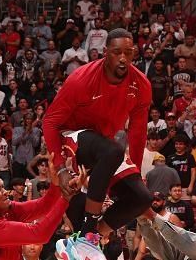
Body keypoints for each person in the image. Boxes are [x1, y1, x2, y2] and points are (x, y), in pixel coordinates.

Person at [43, 29, 153, 242]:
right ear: (105, 52)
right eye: (116, 52)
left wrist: (136, 173)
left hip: (103, 145)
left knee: (142, 197)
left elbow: (138, 132)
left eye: (128, 53)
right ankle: (89, 225)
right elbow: (50, 121)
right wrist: (60, 167)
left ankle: (91, 238)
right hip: (71, 136)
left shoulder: (141, 85)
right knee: (113, 150)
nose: (123, 58)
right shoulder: (81, 79)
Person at [0, 154, 84, 260]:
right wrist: (65, 198)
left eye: (3, 187)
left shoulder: (6, 209)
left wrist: (58, 184)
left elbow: (43, 206)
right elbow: (39, 234)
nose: (5, 192)